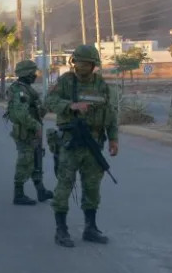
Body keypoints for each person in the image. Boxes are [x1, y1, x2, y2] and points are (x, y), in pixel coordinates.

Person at [43, 44, 119, 247]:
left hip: (94, 143)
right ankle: (61, 230)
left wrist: (113, 139)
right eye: (78, 62)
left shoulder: (101, 85)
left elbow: (110, 114)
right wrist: (70, 105)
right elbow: (49, 100)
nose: (81, 66)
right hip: (70, 142)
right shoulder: (66, 82)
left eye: (86, 63)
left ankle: (90, 228)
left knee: (92, 187)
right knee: (64, 186)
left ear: (94, 64)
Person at [4, 59, 54, 205]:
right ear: (26, 73)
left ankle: (41, 190)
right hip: (26, 132)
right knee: (25, 161)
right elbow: (20, 114)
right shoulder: (19, 90)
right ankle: (18, 194)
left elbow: (39, 111)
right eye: (33, 72)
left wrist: (49, 97)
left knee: (37, 160)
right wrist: (35, 126)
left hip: (34, 131)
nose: (35, 75)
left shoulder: (27, 89)